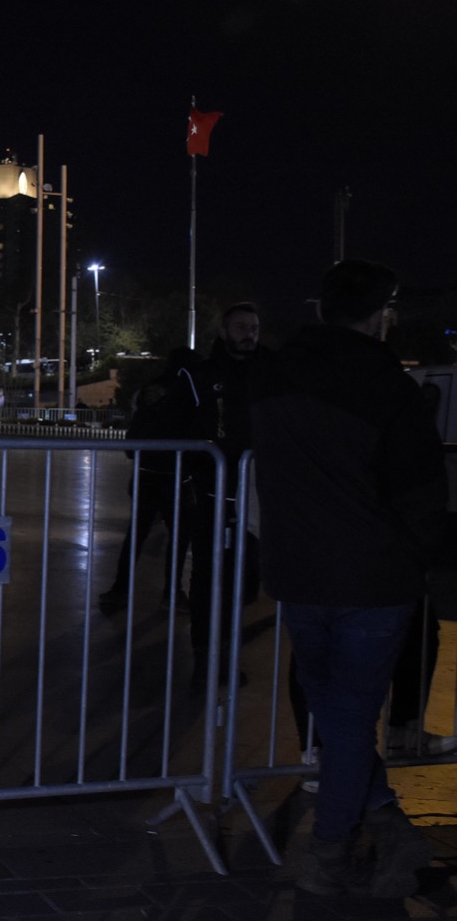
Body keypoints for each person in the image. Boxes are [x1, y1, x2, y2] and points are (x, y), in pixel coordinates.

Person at [251, 260, 447, 897]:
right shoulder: (389, 387)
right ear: (379, 314)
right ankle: (331, 849)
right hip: (372, 579)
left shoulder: (275, 374)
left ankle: (384, 821)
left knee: (335, 712)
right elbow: (419, 494)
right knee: (348, 719)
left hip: (300, 574)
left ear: (319, 310)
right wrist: (424, 561)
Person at [163, 303, 264, 687]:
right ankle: (204, 659)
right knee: (208, 578)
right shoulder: (200, 376)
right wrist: (193, 472)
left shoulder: (267, 371)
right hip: (210, 494)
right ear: (223, 331)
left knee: (242, 581)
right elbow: (173, 425)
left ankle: (224, 653)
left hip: (253, 496)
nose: (248, 333)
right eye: (240, 326)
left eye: (254, 327)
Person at [98, 348, 200, 610]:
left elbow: (135, 435)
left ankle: (120, 590)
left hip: (147, 475)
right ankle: (172, 593)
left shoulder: (149, 391)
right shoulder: (191, 393)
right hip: (177, 477)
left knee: (137, 535)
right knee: (178, 538)